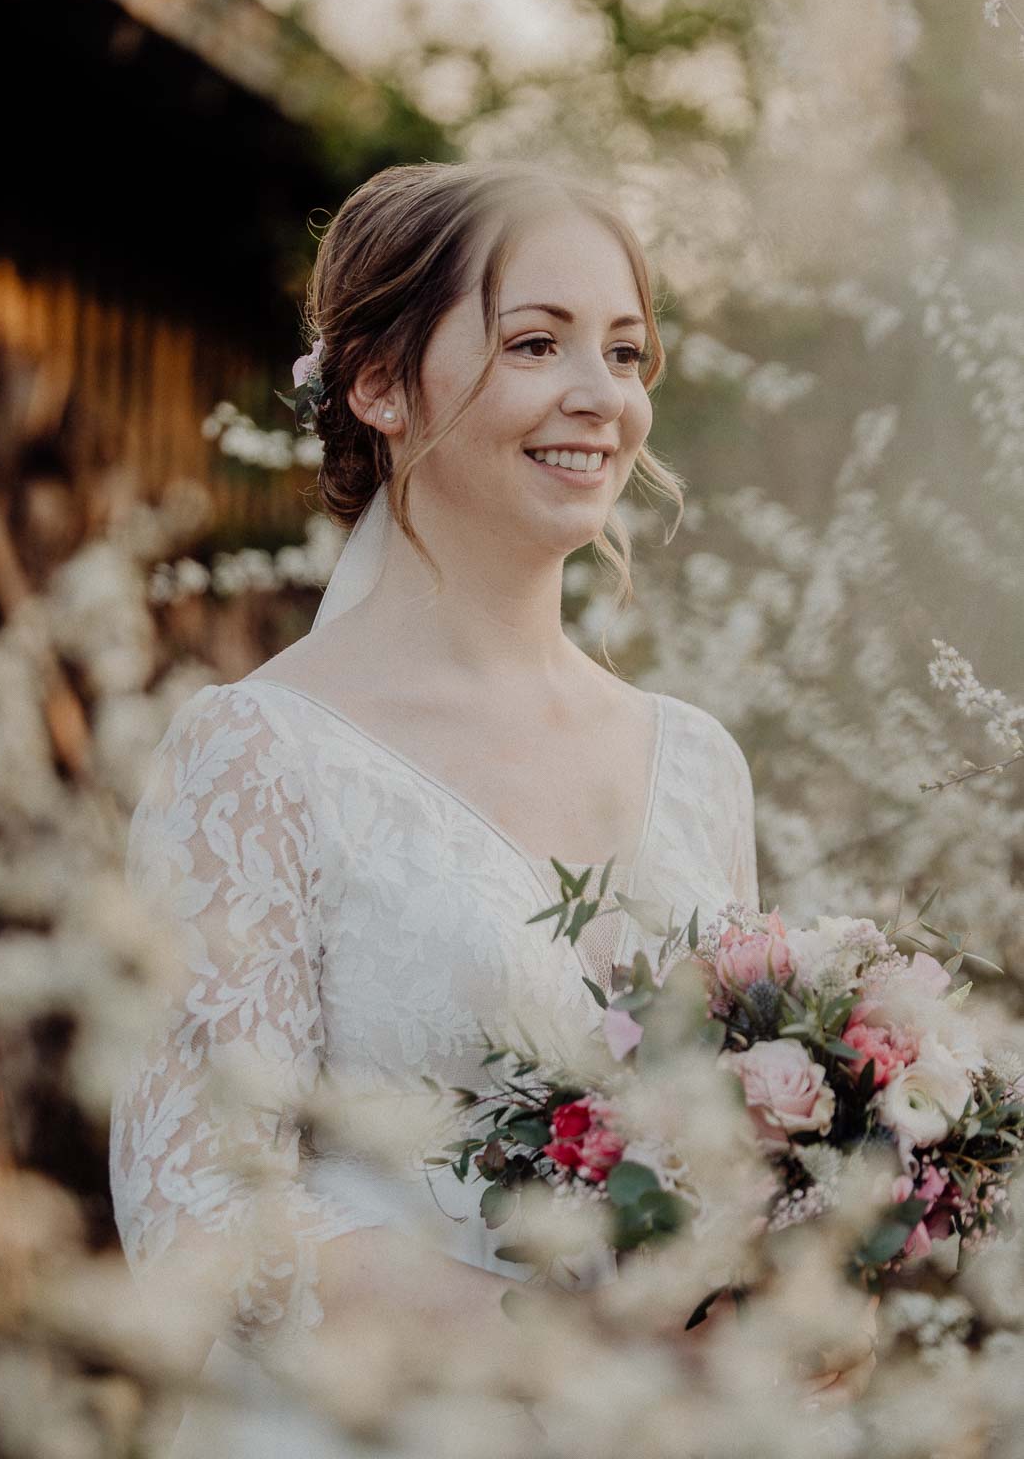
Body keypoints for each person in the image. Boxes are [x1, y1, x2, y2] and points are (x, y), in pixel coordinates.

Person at [108, 160, 837, 1456]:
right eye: (535, 342)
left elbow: (729, 1149)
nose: (599, 397)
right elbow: (203, 1206)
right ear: (380, 382)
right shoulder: (257, 756)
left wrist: (805, 1283)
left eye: (625, 352)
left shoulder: (697, 764)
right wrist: (570, 1358)